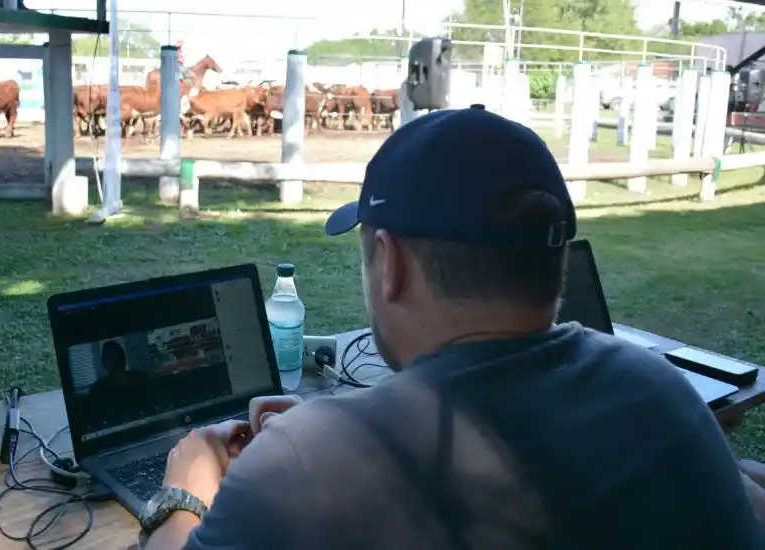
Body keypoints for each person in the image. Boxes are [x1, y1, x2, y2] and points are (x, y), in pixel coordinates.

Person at [141, 106, 765, 549]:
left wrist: (185, 486)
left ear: (392, 265)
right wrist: (347, 423)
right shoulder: (662, 396)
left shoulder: (302, 465)